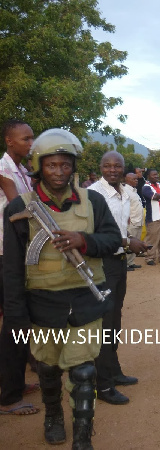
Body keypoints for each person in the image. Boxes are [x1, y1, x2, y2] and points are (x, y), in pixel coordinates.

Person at [3, 129, 121, 448]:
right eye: (52, 165)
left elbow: (113, 241)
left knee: (83, 372)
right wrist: (16, 316)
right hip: (42, 304)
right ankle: (53, 414)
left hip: (85, 300)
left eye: (65, 165)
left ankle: (83, 436)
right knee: (48, 368)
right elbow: (13, 269)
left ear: (73, 167)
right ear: (40, 166)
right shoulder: (18, 205)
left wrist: (85, 241)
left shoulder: (93, 200)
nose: (59, 172)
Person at [88, 151, 149, 405]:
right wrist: (127, 241)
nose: (112, 170)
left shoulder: (126, 193)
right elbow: (90, 235)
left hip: (119, 261)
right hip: (102, 264)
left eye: (118, 166)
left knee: (114, 320)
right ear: (99, 167)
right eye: (107, 165)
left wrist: (131, 244)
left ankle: (113, 371)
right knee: (103, 324)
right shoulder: (93, 194)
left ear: (124, 169)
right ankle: (102, 385)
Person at [0, 119, 39, 416]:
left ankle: (16, 380)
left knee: (21, 319)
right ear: (9, 141)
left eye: (32, 138)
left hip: (18, 253)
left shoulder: (23, 171)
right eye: (25, 139)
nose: (31, 143)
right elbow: (20, 210)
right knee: (14, 321)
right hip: (5, 255)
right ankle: (9, 396)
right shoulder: (4, 172)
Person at [142, 169, 160, 265]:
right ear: (148, 176)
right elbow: (154, 196)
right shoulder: (146, 187)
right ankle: (150, 258)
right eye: (154, 175)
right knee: (152, 238)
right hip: (153, 218)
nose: (156, 176)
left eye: (157, 174)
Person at [123, 172, 144, 271]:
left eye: (137, 179)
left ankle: (131, 262)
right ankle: (125, 264)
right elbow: (123, 206)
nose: (136, 181)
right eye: (134, 179)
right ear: (127, 180)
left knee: (135, 242)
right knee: (128, 244)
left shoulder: (134, 191)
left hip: (138, 221)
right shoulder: (125, 191)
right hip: (131, 222)